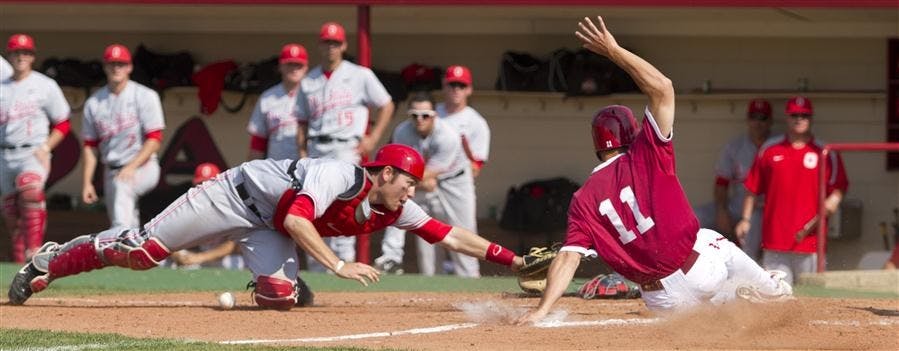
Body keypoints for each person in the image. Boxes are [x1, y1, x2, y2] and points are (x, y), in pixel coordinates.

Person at [8, 144, 524, 310]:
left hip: (267, 223)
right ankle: (54, 257)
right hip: (233, 196)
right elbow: (299, 218)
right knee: (144, 253)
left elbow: (453, 235)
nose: (414, 191)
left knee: (280, 298)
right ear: (384, 173)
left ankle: (270, 280)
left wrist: (515, 261)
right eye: (407, 182)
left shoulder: (393, 205)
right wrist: (337, 264)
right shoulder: (340, 175)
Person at [515, 16, 791, 324]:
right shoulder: (644, 153)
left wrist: (542, 310)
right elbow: (663, 88)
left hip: (661, 300)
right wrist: (614, 50)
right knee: (710, 238)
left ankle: (730, 301)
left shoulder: (583, 199)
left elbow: (568, 258)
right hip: (696, 268)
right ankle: (770, 289)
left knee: (714, 318)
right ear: (630, 135)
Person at [296, 22, 396, 268]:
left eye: (336, 42)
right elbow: (301, 121)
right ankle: (320, 267)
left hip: (346, 148)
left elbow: (387, 104)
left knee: (345, 205)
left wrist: (373, 138)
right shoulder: (308, 81)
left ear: (344, 45)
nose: (331, 47)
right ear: (320, 45)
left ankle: (346, 262)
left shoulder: (360, 75)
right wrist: (301, 151)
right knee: (317, 205)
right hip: (317, 147)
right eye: (327, 42)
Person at [375, 65, 491, 274]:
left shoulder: (466, 126)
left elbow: (474, 165)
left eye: (461, 85)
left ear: (468, 89)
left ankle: (471, 281)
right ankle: (392, 259)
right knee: (424, 238)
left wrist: (420, 179)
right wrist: (418, 181)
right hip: (420, 182)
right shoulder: (412, 123)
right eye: (451, 84)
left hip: (453, 181)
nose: (420, 119)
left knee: (463, 237)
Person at [736, 96, 849, 285]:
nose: (799, 119)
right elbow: (752, 188)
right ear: (787, 117)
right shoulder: (769, 149)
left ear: (811, 118)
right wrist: (746, 219)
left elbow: (839, 186)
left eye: (804, 115)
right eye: (794, 115)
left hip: (811, 242)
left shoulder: (825, 152)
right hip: (774, 241)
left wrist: (834, 200)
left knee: (812, 298)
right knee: (775, 297)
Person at [0, 34, 72, 263]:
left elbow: (63, 122)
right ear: (9, 55)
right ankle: (20, 258)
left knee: (30, 191)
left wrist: (46, 147)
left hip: (32, 151)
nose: (20, 56)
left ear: (32, 56)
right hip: (4, 153)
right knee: (11, 211)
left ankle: (34, 250)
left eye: (25, 52)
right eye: (16, 52)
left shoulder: (44, 85)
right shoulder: (2, 86)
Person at [80, 44, 165, 230]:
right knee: (124, 216)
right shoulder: (94, 103)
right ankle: (132, 254)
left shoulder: (144, 96)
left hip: (144, 166)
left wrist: (131, 166)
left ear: (129, 67)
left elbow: (155, 139)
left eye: (121, 63)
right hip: (111, 170)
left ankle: (119, 247)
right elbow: (89, 146)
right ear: (105, 67)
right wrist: (87, 182)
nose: (116, 68)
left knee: (121, 205)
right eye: (112, 64)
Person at [694, 99, 775, 261]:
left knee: (752, 226)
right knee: (696, 217)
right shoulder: (735, 147)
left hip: (763, 209)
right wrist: (721, 211)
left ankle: (747, 272)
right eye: (753, 117)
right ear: (747, 119)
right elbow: (721, 183)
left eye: (762, 118)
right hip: (736, 206)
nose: (757, 122)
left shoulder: (777, 145)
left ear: (770, 121)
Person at [168, 163, 246, 270]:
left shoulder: (232, 206)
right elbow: (171, 236)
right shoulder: (189, 205)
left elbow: (232, 246)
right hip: (198, 257)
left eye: (210, 184)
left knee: (236, 263)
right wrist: (176, 254)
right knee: (166, 261)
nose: (205, 188)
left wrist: (199, 258)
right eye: (201, 184)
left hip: (223, 259)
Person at [247, 43, 308, 161]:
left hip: (308, 167)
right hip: (277, 168)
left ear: (306, 68)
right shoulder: (267, 98)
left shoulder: (314, 94)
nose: (294, 69)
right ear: (280, 66)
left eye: (298, 65)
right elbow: (258, 141)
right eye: (290, 64)